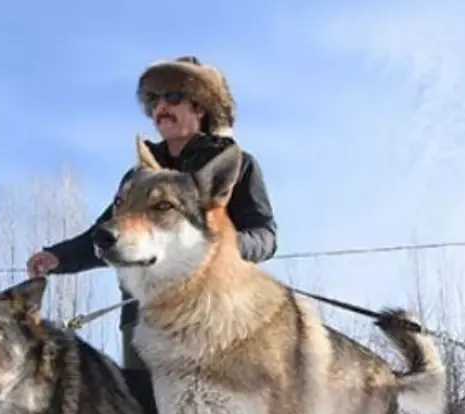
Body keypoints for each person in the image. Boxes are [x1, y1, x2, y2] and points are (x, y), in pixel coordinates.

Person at [27, 56, 279, 371]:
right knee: (145, 410)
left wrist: (219, 249)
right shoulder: (137, 178)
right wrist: (58, 257)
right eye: (155, 99)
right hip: (142, 313)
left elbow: (265, 235)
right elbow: (108, 233)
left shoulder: (236, 164)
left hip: (214, 311)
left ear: (199, 107)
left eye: (173, 96)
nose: (162, 106)